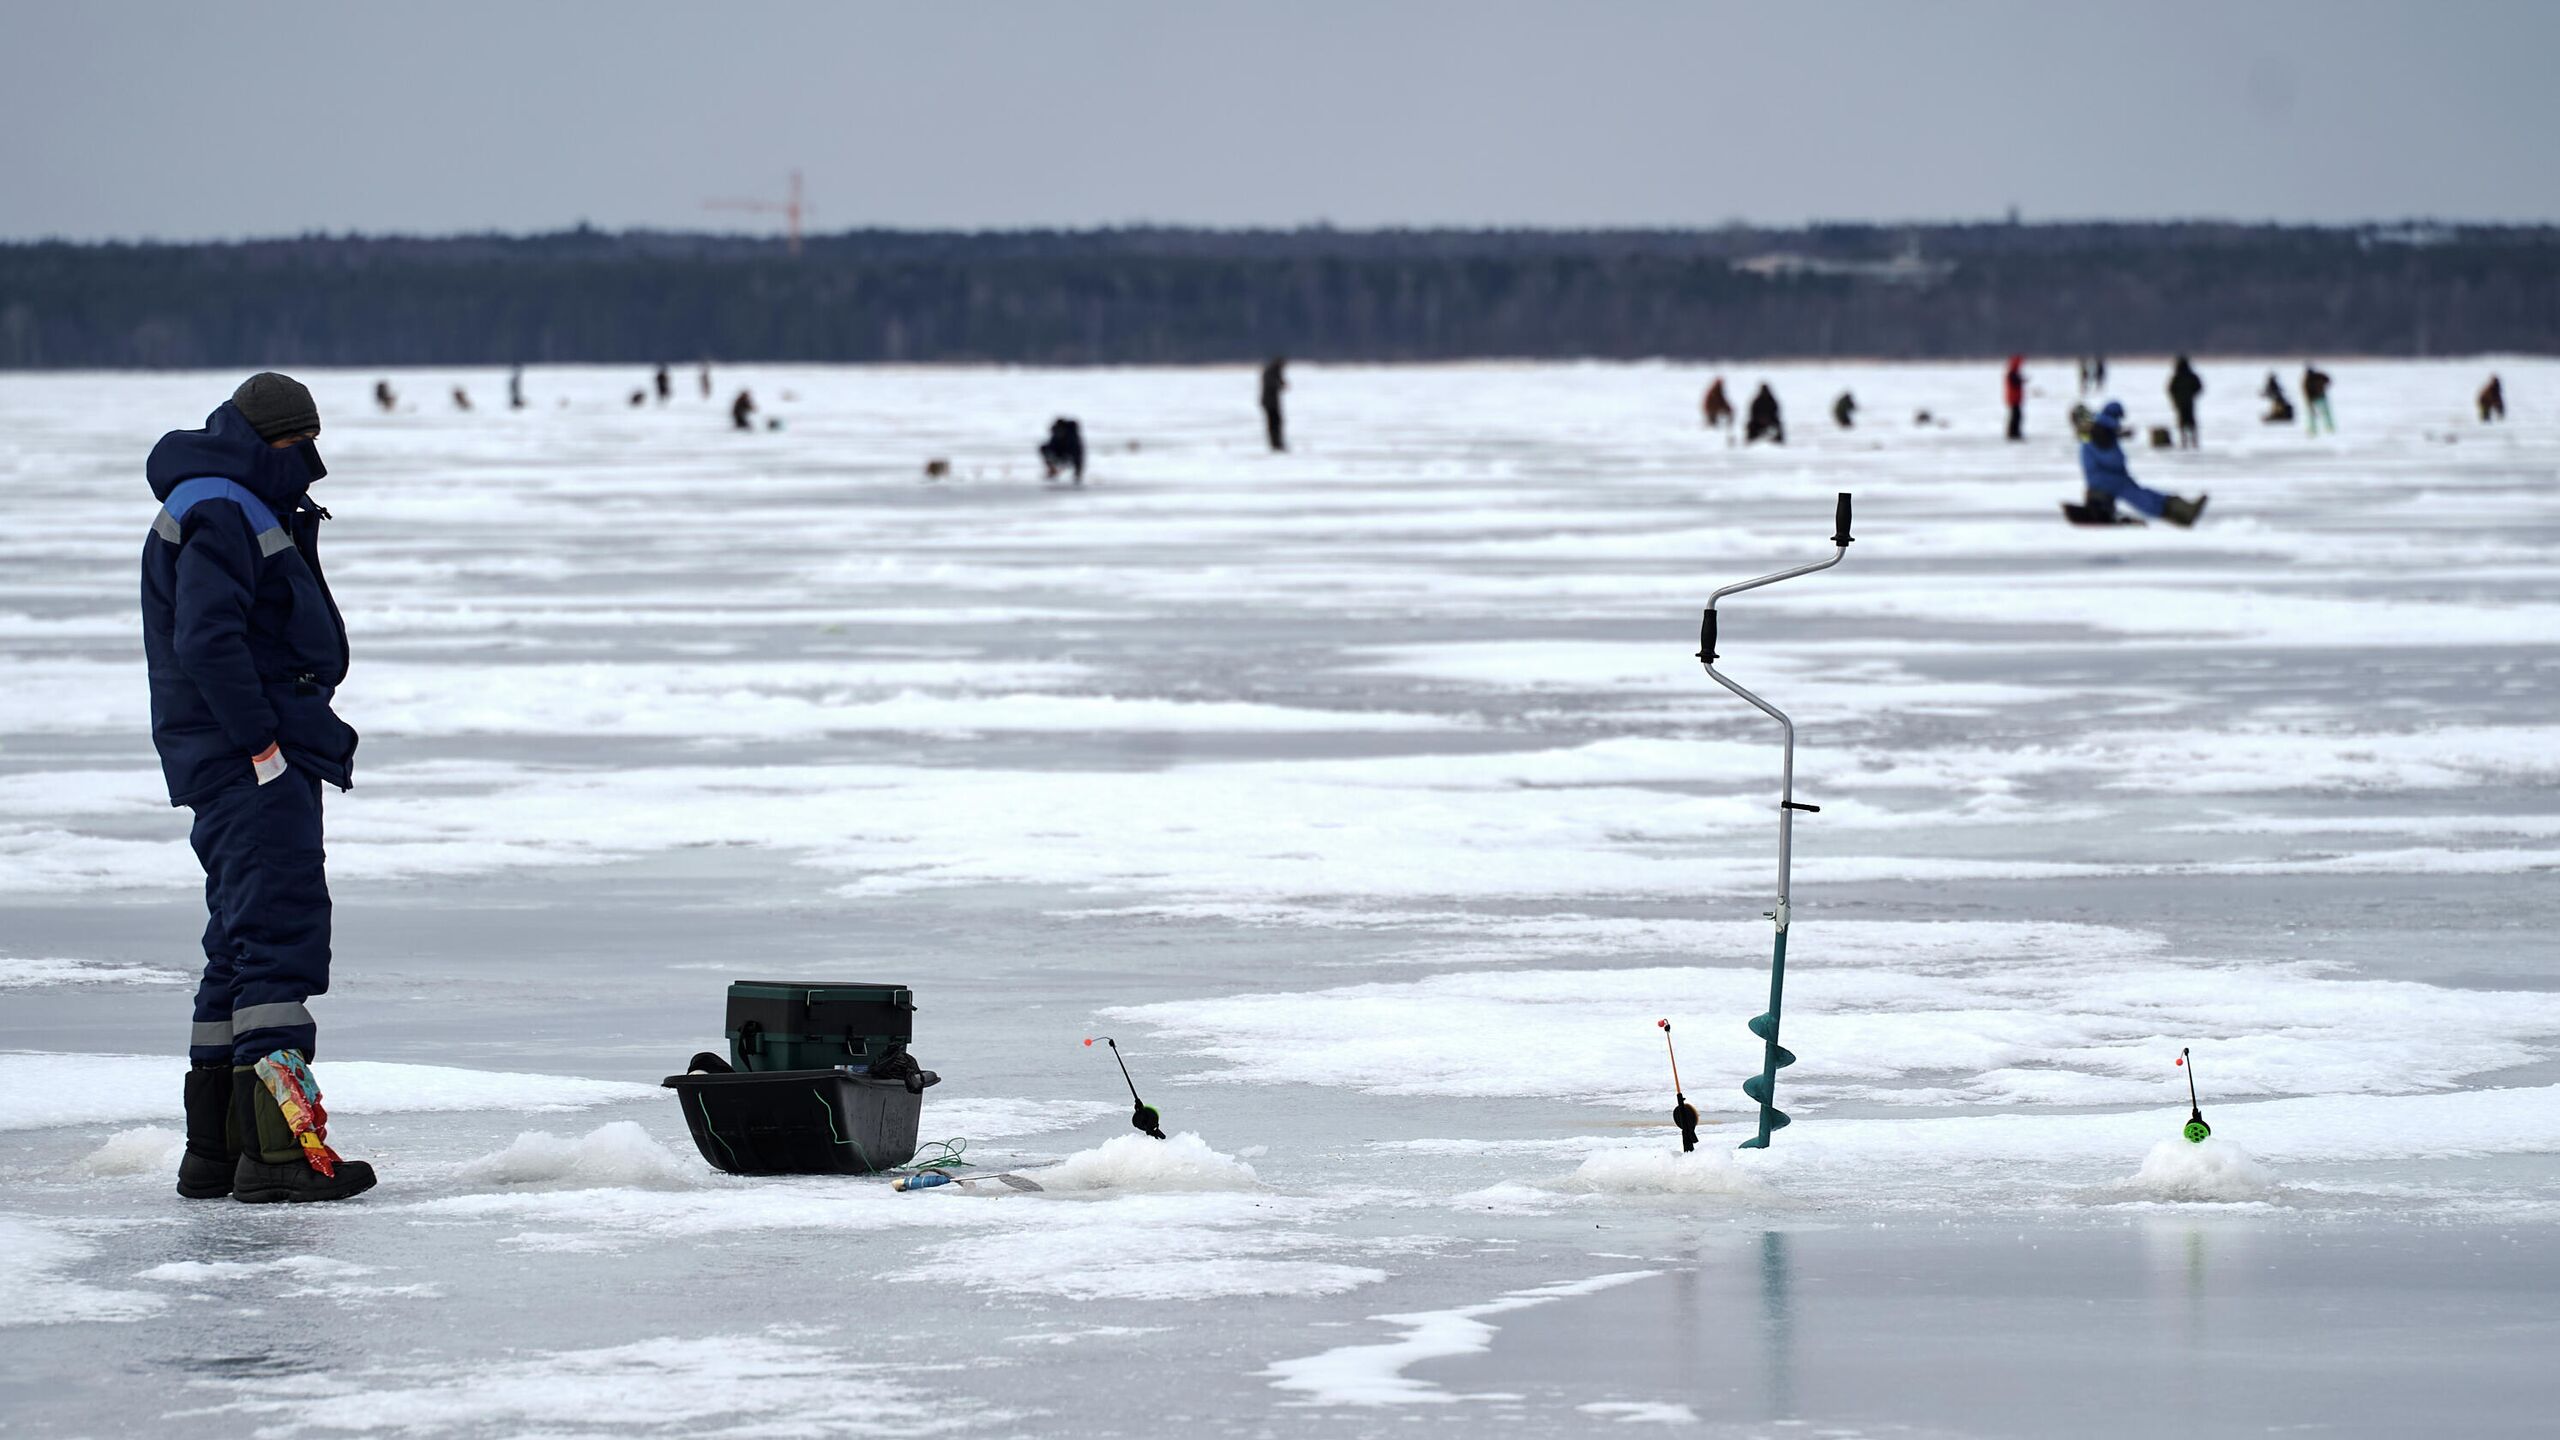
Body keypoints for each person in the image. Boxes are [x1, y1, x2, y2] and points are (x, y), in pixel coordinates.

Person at [143, 373, 375, 1204]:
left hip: (232, 756)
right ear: (263, 440)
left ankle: (215, 1152)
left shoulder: (230, 498)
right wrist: (262, 743)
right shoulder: (222, 506)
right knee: (277, 937)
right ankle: (279, 1157)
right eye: (296, 444)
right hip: (249, 759)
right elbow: (206, 641)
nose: (309, 461)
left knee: (238, 947)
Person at [2078, 401, 2206, 527]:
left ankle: (2181, 510)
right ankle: (2181, 512)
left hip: (2103, 477)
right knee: (2143, 498)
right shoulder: (2104, 429)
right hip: (2107, 479)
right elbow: (2109, 456)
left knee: (2145, 494)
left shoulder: (2100, 426)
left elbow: (2097, 443)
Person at [2167, 356, 2203, 449]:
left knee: (2183, 423)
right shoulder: (2190, 376)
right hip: (2188, 402)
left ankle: (2185, 442)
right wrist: (2192, 394)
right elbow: (2199, 387)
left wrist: (2176, 398)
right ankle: (2193, 442)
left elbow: (2170, 389)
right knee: (2191, 423)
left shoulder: (2177, 377)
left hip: (2181, 403)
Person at [1040, 417, 1086, 483]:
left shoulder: (1072, 436)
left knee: (1076, 455)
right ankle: (1053, 470)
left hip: (1070, 456)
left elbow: (1078, 453)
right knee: (1044, 448)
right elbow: (1051, 445)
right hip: (1059, 454)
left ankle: (1056, 469)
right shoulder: (1056, 432)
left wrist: (1078, 472)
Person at [1260, 357, 1287, 452]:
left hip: (1273, 402)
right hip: (1269, 402)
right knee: (1274, 423)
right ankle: (1275, 444)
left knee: (1277, 422)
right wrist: (1280, 385)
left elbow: (1279, 382)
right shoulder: (1270, 371)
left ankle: (1277, 443)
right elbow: (1271, 383)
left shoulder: (1274, 371)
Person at [2303, 364, 2334, 435]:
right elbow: (2306, 393)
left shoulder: (2318, 376)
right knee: (2314, 415)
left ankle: (2328, 428)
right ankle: (2314, 429)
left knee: (2324, 413)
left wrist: (2323, 386)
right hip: (2315, 398)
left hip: (2319, 397)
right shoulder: (2308, 381)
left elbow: (2328, 380)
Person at [2003, 354, 2026, 441]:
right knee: (2016, 416)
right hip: (2014, 399)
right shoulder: (2012, 373)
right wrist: (2021, 380)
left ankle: (2014, 432)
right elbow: (2015, 382)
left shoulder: (2013, 372)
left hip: (2015, 398)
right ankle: (2013, 433)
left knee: (2016, 416)